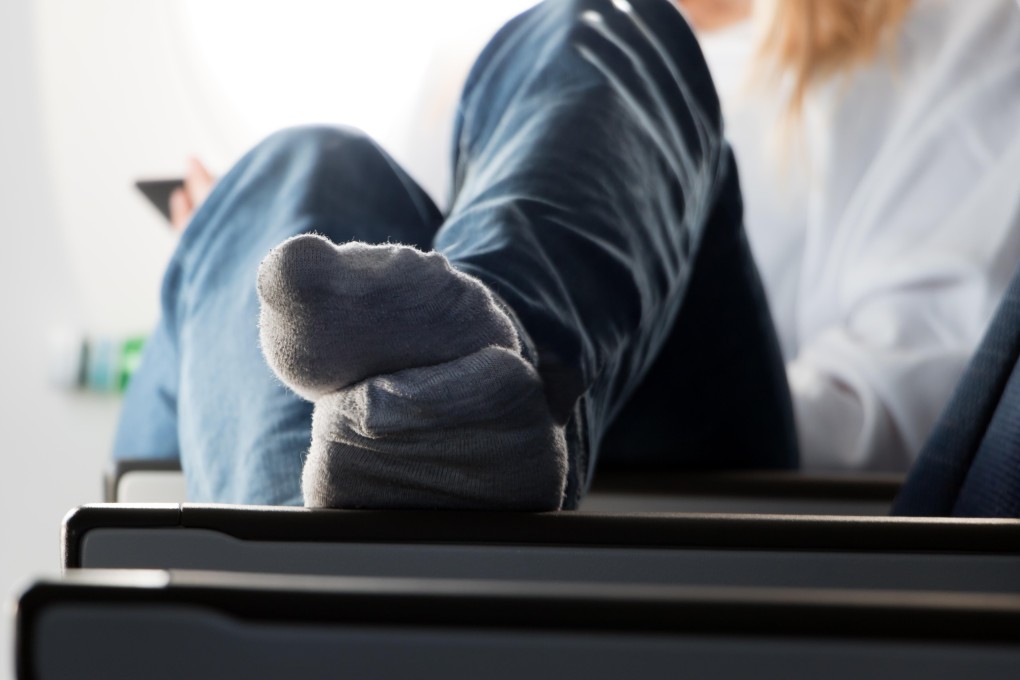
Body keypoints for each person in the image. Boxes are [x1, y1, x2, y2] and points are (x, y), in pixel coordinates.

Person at [112, 0, 1020, 510]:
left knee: (606, 38)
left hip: (700, 457)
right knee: (299, 168)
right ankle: (341, 532)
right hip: (385, 470)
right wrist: (235, 244)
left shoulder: (952, 33)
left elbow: (904, 409)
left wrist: (601, 363)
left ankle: (484, 394)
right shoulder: (473, 51)